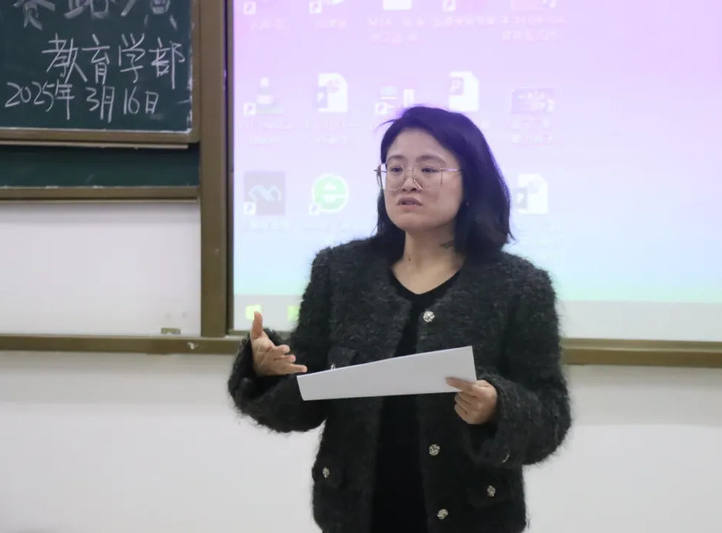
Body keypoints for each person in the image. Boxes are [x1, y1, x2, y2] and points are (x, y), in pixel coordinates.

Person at [228, 105, 572, 533]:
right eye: (395, 168)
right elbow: (303, 404)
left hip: (470, 517)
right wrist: (267, 372)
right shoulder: (340, 271)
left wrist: (497, 407)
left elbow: (550, 415)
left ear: (471, 182)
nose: (408, 181)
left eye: (429, 168)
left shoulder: (519, 286)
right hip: (356, 516)